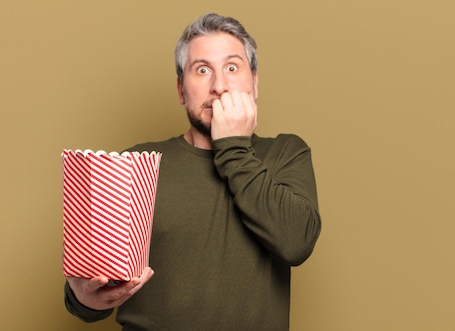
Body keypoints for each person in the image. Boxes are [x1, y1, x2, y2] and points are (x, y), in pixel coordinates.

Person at [64, 12, 321, 330]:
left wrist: (234, 148)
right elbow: (92, 289)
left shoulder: (285, 153)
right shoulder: (137, 164)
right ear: (181, 90)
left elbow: (296, 243)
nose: (219, 86)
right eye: (202, 70)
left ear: (254, 83)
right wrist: (84, 299)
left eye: (231, 67)